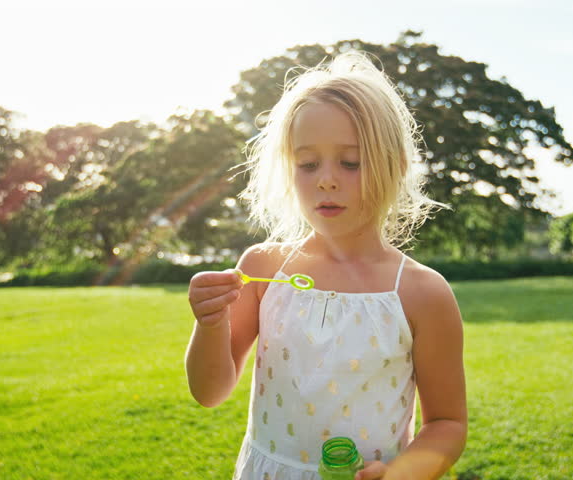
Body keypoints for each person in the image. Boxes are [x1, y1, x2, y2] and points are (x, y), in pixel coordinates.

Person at [185, 49, 467, 480]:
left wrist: (401, 473)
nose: (326, 179)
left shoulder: (422, 293)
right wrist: (208, 324)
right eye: (307, 163)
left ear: (394, 166)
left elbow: (447, 423)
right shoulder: (264, 268)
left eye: (350, 162)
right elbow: (209, 392)